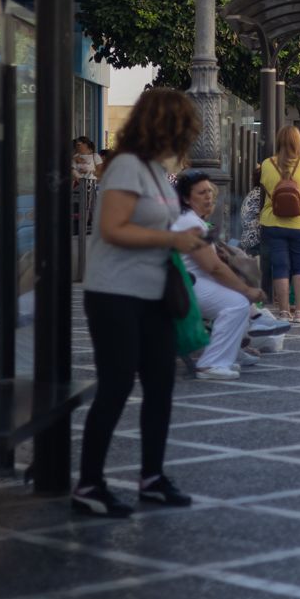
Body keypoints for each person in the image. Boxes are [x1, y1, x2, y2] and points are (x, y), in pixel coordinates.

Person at [75, 88, 207, 518]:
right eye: (183, 129)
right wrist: (173, 238)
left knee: (160, 383)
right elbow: (113, 228)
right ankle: (89, 483)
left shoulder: (153, 170)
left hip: (151, 293)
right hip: (115, 292)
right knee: (115, 385)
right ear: (165, 127)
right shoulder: (127, 166)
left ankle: (152, 477)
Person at [172, 170, 270, 379]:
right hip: (186, 286)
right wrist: (246, 290)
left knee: (238, 302)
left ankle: (227, 355)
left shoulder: (190, 220)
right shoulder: (190, 223)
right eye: (201, 193)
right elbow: (213, 267)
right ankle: (211, 363)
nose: (208, 196)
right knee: (236, 303)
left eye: (209, 191)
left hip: (187, 283)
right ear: (187, 198)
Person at [259, 125, 300, 324]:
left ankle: (284, 311)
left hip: (272, 223)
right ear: (298, 142)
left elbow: (265, 188)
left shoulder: (267, 164)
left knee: (280, 267)